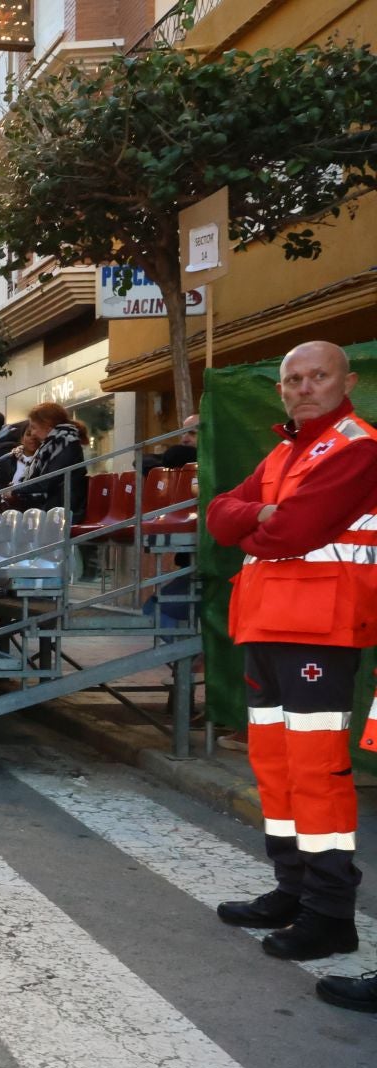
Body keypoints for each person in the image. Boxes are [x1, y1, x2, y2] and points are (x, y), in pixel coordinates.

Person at [207, 341, 377, 990]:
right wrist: (258, 516)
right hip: (265, 626)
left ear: (346, 382)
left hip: (321, 632)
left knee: (316, 771)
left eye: (317, 377)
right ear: (281, 391)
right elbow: (222, 514)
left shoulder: (358, 446)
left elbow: (294, 530)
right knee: (273, 768)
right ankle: (293, 888)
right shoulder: (283, 451)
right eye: (293, 380)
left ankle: (332, 912)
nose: (304, 387)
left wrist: (259, 520)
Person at [4, 402, 89, 517]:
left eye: (34, 427)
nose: (33, 433)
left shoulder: (65, 442)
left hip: (63, 507)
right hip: (52, 505)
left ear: (47, 425)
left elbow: (48, 481)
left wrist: (16, 489)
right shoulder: (50, 445)